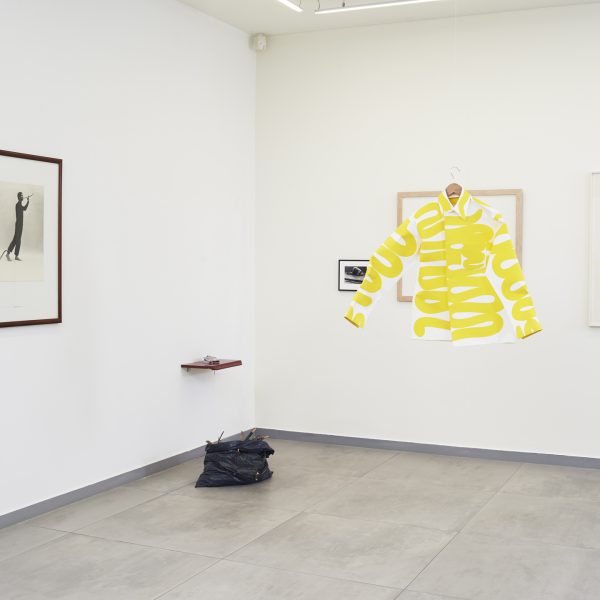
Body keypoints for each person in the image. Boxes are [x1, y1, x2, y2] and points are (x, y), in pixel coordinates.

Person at [2, 192, 30, 262]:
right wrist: (24, 201)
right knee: (16, 240)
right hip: (18, 224)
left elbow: (25, 208)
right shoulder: (18, 205)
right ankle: (8, 254)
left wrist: (28, 201)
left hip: (20, 224)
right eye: (21, 196)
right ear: (18, 197)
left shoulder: (20, 205)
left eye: (22, 196)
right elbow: (22, 209)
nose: (22, 197)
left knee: (17, 239)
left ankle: (16, 255)